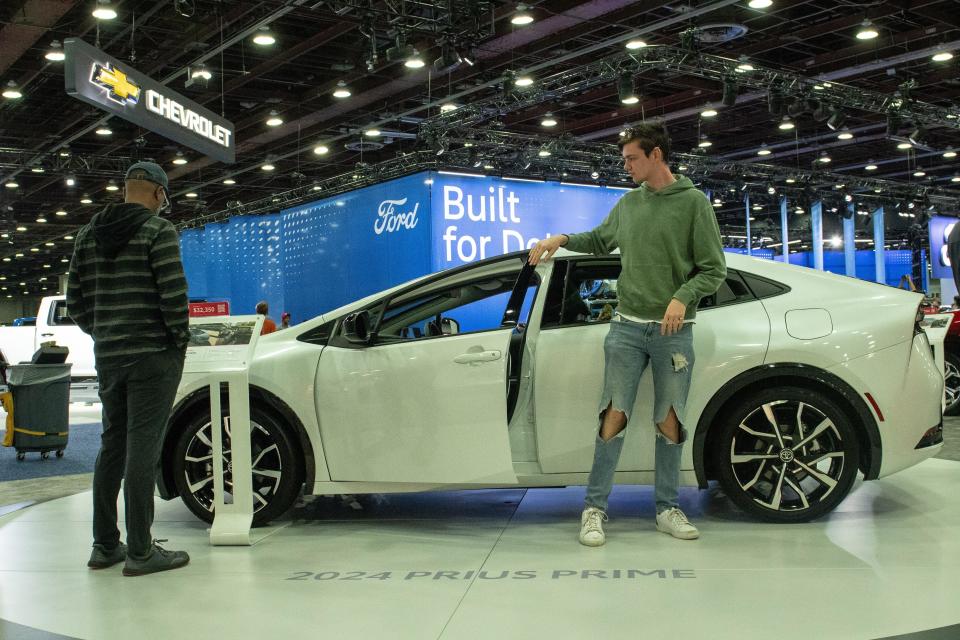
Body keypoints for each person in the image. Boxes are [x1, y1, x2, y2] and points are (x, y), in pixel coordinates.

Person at [528, 122, 726, 546]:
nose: (626, 166)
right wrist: (561, 239)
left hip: (675, 332)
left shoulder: (694, 204)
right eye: (624, 159)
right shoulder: (628, 204)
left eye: (632, 158)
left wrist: (682, 296)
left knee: (669, 421)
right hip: (626, 329)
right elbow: (600, 240)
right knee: (612, 416)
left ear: (656, 155)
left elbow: (714, 269)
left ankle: (667, 508)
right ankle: (594, 509)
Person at [67, 161, 191, 576]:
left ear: (126, 190)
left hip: (110, 356)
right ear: (158, 193)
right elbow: (173, 294)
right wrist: (178, 340)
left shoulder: (87, 235)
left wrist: (104, 332)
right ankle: (141, 550)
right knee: (144, 448)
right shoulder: (159, 231)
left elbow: (76, 303)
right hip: (154, 355)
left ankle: (105, 545)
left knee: (112, 446)